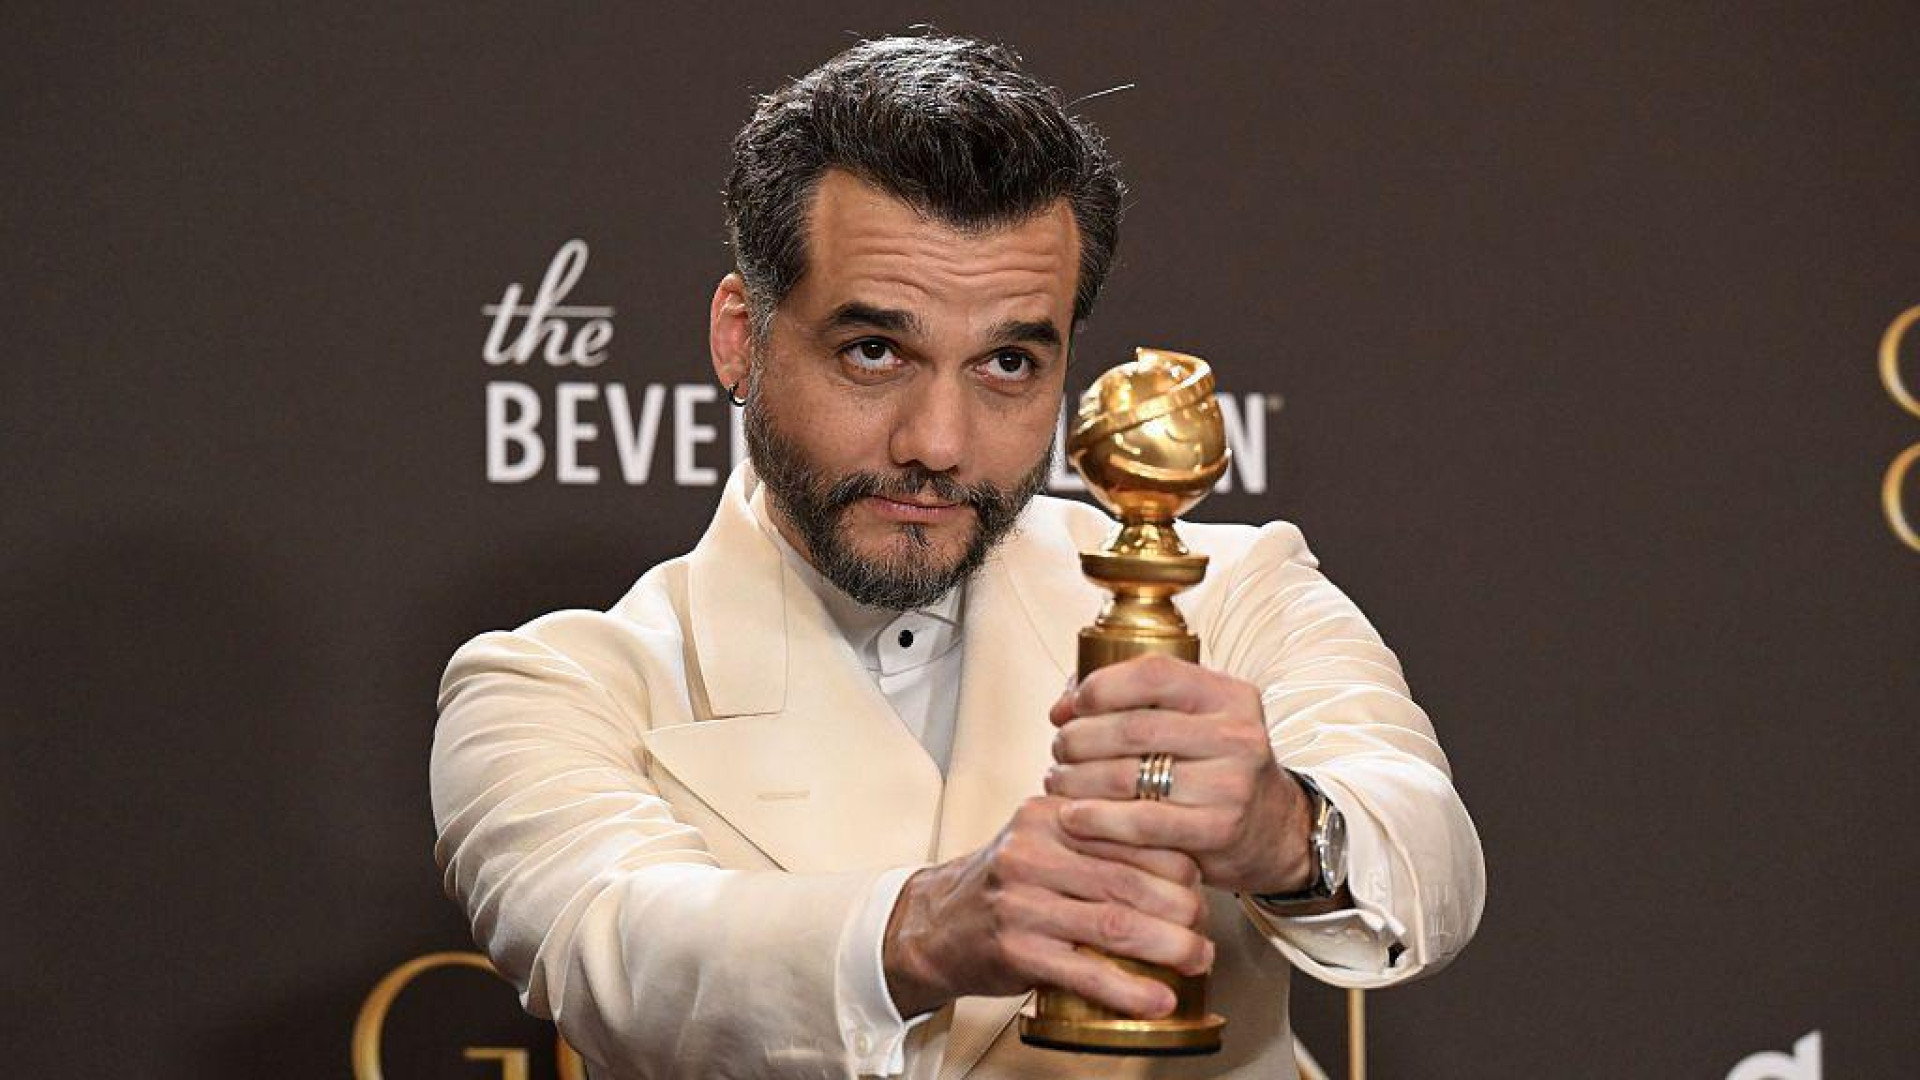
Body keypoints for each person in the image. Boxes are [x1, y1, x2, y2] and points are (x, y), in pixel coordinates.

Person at [432, 33, 1484, 1080]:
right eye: (874, 352)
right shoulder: (552, 689)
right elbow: (623, 954)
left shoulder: (1235, 593)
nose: (938, 442)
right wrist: (931, 930)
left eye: (1008, 363)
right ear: (740, 336)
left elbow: (1427, 849)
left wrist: (1287, 831)